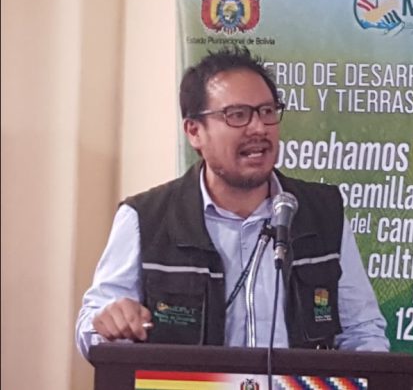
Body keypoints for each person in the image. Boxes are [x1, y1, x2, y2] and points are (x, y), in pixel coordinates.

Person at [75, 47, 389, 359]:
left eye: (267, 111)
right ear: (194, 132)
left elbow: (362, 330)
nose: (259, 128)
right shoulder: (146, 218)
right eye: (237, 115)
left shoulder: (322, 213)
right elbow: (92, 326)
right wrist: (109, 322)